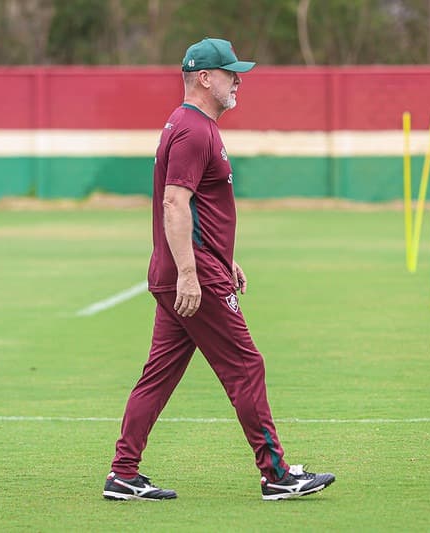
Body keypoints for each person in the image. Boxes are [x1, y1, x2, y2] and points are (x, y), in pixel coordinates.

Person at [102, 38, 335, 501]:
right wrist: (193, 273)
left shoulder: (186, 124)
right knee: (247, 366)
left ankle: (123, 473)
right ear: (205, 78)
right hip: (194, 279)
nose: (238, 81)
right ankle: (276, 474)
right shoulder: (193, 130)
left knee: (158, 375)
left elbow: (198, 209)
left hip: (192, 269)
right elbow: (175, 202)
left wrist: (226, 258)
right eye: (231, 73)